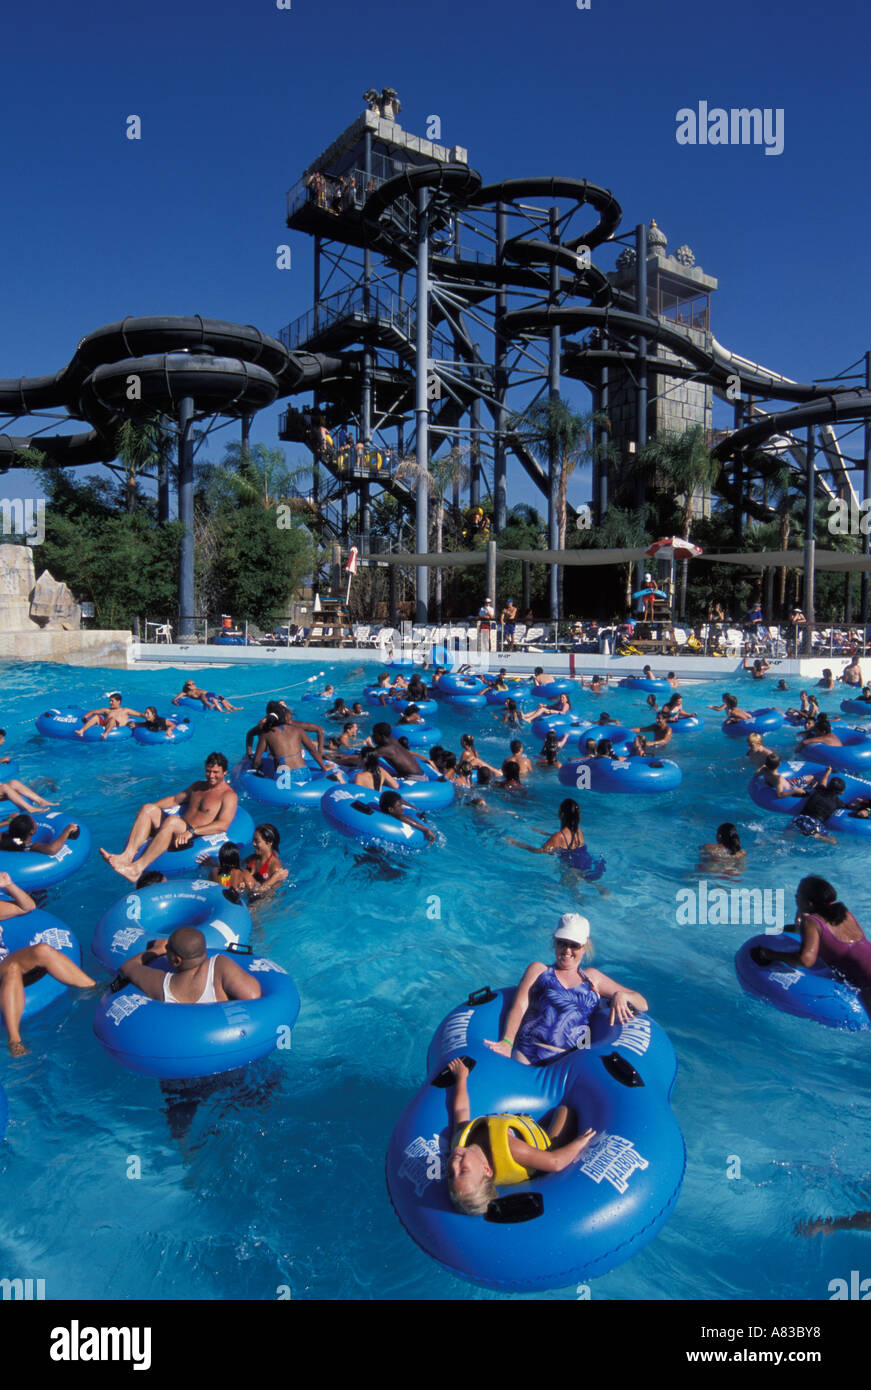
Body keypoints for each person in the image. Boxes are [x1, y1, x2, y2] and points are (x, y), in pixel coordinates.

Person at [484, 914, 648, 1066]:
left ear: (584, 947)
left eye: (574, 945)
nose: (567, 950)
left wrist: (621, 995)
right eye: (562, 943)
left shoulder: (593, 978)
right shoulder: (539, 970)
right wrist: (507, 1042)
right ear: (555, 943)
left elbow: (642, 1003)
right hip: (529, 1052)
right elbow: (519, 1007)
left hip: (568, 1062)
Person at [445, 1056, 597, 1215]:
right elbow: (555, 1162)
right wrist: (579, 1142)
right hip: (546, 1146)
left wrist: (461, 1077)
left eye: (450, 1174)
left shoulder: (460, 1141)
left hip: (524, 1128)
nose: (454, 1165)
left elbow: (461, 1110)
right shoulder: (509, 1148)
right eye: (463, 1171)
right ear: (486, 1170)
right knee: (565, 1111)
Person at [99, 753, 238, 882]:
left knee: (172, 821)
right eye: (208, 771)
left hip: (193, 834)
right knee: (147, 808)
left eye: (216, 772)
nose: (211, 775)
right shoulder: (198, 786)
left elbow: (223, 824)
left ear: (224, 772)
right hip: (180, 826)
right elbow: (175, 800)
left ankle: (137, 869)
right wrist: (149, 809)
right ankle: (126, 857)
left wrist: (192, 832)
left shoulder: (228, 796)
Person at [0, 872, 96, 1055]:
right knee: (12, 968)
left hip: (4, 964)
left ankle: (94, 989)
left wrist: (8, 885)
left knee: (42, 950)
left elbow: (27, 907)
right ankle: (14, 1041)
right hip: (5, 967)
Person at [753, 876, 871, 1018]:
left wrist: (768, 954)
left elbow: (805, 960)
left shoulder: (811, 922)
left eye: (798, 894)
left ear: (809, 903)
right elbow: (811, 931)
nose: (795, 897)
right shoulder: (843, 913)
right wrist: (779, 929)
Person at [119, 927, 263, 1004]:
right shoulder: (220, 966)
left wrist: (156, 950)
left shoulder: (161, 984)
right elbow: (253, 995)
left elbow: (128, 967)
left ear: (176, 960)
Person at [253, 707, 330, 775]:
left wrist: (256, 770)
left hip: (283, 777)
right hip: (303, 774)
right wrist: (324, 767)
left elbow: (256, 761)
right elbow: (312, 750)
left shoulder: (266, 734)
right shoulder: (299, 730)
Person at [0, 812, 80, 857]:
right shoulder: (27, 846)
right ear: (32, 831)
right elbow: (52, 850)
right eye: (35, 823)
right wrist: (67, 831)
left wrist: (9, 820)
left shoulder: (3, 837)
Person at [77, 692, 145, 739]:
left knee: (112, 719)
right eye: (110, 701)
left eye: (112, 701)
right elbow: (93, 712)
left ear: (118, 701)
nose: (110, 703)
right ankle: (81, 731)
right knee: (96, 717)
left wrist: (149, 717)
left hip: (117, 726)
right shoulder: (107, 710)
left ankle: (105, 734)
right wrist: (85, 717)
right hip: (106, 723)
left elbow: (139, 714)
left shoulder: (125, 710)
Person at [244, 823, 288, 893]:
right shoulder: (252, 858)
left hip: (261, 900)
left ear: (269, 842)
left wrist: (274, 879)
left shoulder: (275, 867)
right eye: (253, 840)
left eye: (257, 841)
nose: (253, 844)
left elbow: (273, 894)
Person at [172, 681, 241, 712]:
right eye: (190, 684)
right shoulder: (184, 692)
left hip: (209, 695)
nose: (193, 685)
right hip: (204, 697)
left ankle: (233, 707)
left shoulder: (196, 688)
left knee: (220, 696)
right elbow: (174, 699)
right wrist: (176, 702)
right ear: (187, 686)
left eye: (193, 683)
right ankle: (210, 705)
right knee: (203, 695)